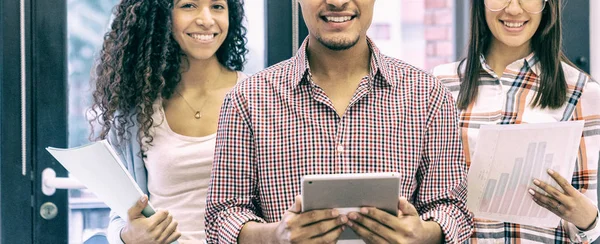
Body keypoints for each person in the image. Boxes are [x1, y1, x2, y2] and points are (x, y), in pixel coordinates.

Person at [205, 0, 473, 243]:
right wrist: (274, 237)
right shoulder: (248, 100)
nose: (337, 2)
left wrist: (424, 234)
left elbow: (453, 209)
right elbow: (222, 217)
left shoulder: (428, 95)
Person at [433, 0, 600, 243]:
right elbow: (430, 197)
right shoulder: (441, 83)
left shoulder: (581, 91)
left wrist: (587, 217)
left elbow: (585, 227)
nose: (513, 9)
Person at [88, 0, 248, 243]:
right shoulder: (136, 111)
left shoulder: (259, 98)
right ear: (161, 16)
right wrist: (128, 236)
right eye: (188, 6)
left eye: (217, 6)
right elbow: (121, 215)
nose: (206, 20)